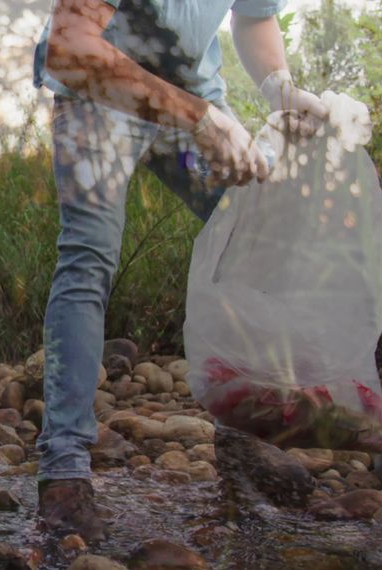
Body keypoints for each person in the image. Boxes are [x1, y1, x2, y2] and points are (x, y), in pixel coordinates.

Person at [32, 0, 328, 541]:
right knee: (89, 255)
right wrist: (201, 117)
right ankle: (64, 470)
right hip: (104, 94)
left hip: (194, 100)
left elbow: (256, 15)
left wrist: (279, 88)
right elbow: (70, 48)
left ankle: (242, 439)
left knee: (254, 235)